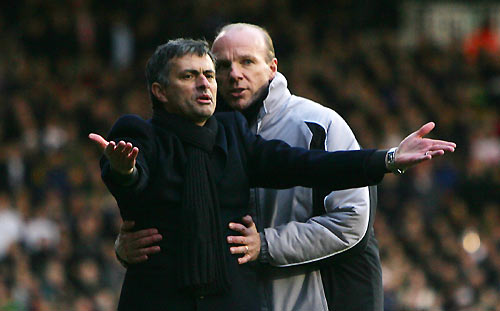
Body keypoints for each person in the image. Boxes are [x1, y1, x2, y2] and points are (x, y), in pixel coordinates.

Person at [97, 38, 454, 310]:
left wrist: (388, 159)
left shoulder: (234, 134)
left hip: (232, 302)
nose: (204, 84)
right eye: (188, 76)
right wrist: (124, 170)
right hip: (159, 300)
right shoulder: (140, 133)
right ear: (160, 91)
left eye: (208, 75)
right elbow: (133, 181)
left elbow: (307, 163)